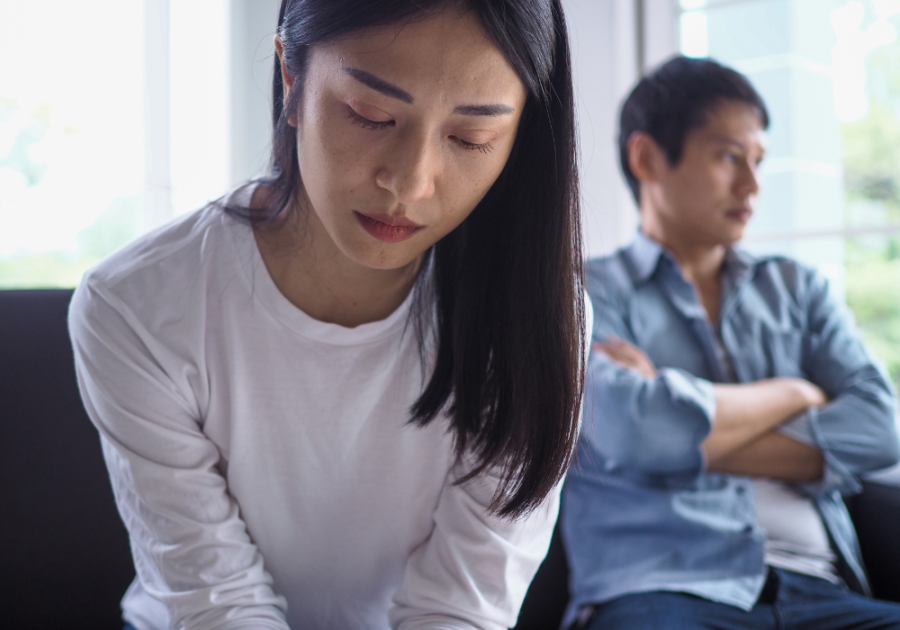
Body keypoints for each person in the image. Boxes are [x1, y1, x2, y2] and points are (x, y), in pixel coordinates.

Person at [68, 1, 589, 628]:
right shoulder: (137, 305)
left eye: (469, 138)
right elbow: (217, 603)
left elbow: (461, 608)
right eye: (371, 115)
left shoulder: (537, 320)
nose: (409, 182)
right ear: (292, 76)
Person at [562, 56, 900, 630]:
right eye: (728, 157)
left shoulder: (798, 288)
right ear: (646, 157)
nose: (752, 184)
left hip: (822, 590)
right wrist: (795, 391)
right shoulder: (588, 294)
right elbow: (635, 432)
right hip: (661, 590)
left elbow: (881, 427)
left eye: (759, 162)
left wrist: (678, 431)